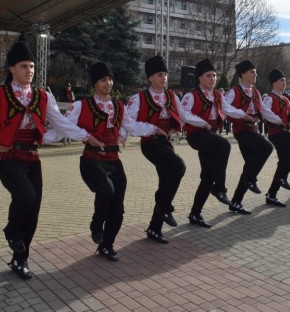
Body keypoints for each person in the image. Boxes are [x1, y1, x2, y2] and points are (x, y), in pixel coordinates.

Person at [0, 40, 91, 279]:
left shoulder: (42, 96)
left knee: (33, 210)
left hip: (31, 157)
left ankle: (20, 260)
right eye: (23, 66)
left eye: (31, 66)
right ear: (11, 68)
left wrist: (85, 137)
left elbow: (61, 124)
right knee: (25, 196)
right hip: (6, 156)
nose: (29, 70)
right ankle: (11, 231)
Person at [47, 62, 151, 262]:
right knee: (106, 191)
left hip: (114, 161)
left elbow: (131, 126)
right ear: (94, 83)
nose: (108, 83)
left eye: (110, 79)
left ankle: (107, 245)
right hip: (92, 160)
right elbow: (62, 127)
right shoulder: (81, 105)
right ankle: (96, 225)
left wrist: (151, 130)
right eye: (103, 79)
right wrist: (42, 137)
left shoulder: (119, 106)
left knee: (118, 209)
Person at [127, 55, 186, 244]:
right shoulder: (139, 98)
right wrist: (152, 129)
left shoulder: (172, 96)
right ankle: (164, 206)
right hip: (150, 143)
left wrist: (175, 128)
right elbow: (129, 123)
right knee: (179, 166)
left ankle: (154, 228)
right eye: (160, 74)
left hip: (165, 142)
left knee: (166, 181)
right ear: (150, 78)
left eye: (165, 74)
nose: (164, 78)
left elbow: (182, 116)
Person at [179, 59, 238, 227]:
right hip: (197, 135)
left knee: (207, 176)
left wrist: (246, 115)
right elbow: (184, 114)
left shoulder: (218, 95)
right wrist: (201, 123)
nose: (212, 79)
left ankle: (195, 214)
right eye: (208, 76)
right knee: (224, 145)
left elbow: (229, 109)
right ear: (199, 78)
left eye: (214, 75)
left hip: (210, 136)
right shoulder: (191, 95)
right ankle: (220, 188)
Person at [224, 60, 280, 213]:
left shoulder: (255, 91)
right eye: (252, 72)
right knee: (266, 147)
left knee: (249, 165)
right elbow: (225, 106)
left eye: (255, 72)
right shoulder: (235, 90)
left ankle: (236, 202)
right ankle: (251, 180)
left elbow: (264, 109)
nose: (255, 74)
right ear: (243, 74)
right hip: (241, 130)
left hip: (253, 130)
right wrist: (243, 115)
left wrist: (279, 120)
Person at [262, 69, 290, 205]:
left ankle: (271, 195)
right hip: (276, 133)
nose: (284, 83)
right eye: (281, 80)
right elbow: (266, 113)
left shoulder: (285, 99)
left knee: (282, 163)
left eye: (285, 80)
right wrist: (279, 121)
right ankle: (282, 177)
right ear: (274, 83)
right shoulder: (269, 98)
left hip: (283, 132)